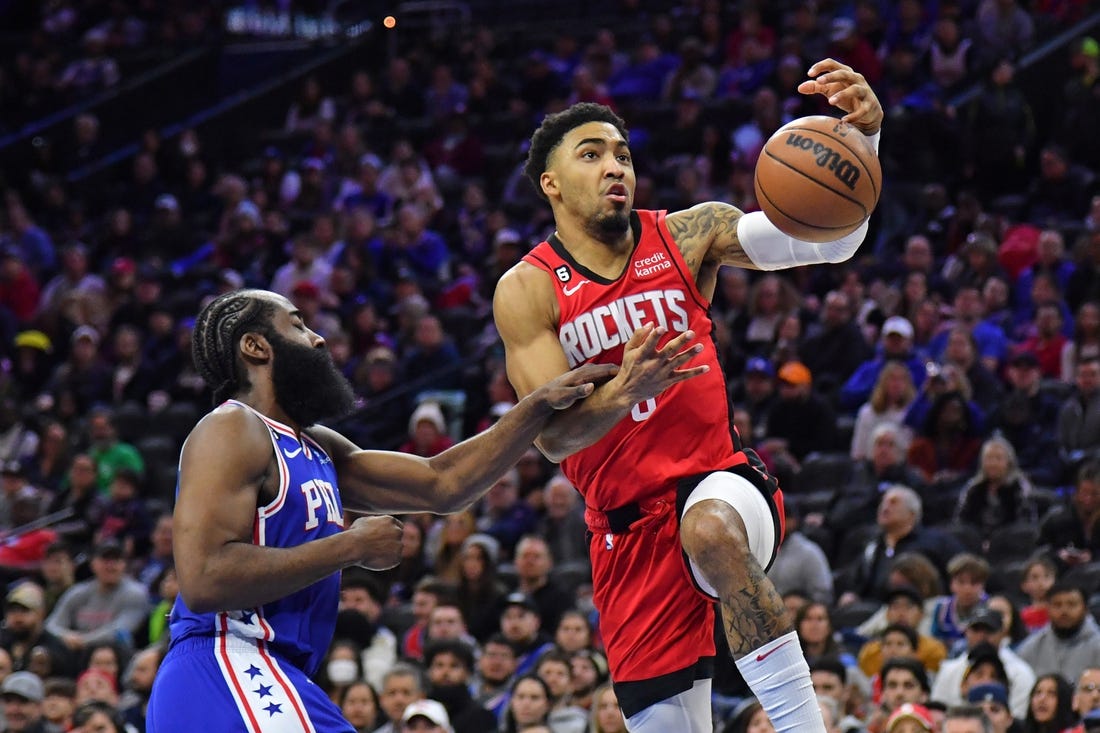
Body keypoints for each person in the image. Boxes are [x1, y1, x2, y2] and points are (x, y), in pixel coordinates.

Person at [492, 60, 884, 733]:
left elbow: (831, 241)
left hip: (718, 484)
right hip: (624, 535)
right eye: (592, 154)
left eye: (622, 153)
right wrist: (624, 389)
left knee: (708, 531)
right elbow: (553, 437)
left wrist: (865, 145)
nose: (615, 165)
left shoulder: (687, 233)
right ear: (550, 184)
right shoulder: (527, 288)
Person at [145, 289, 613, 733]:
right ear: (255, 347)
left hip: (272, 671)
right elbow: (205, 577)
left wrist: (535, 407)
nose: (318, 338)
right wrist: (349, 546)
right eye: (297, 325)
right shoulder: (232, 427)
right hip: (226, 662)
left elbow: (442, 484)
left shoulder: (316, 447)